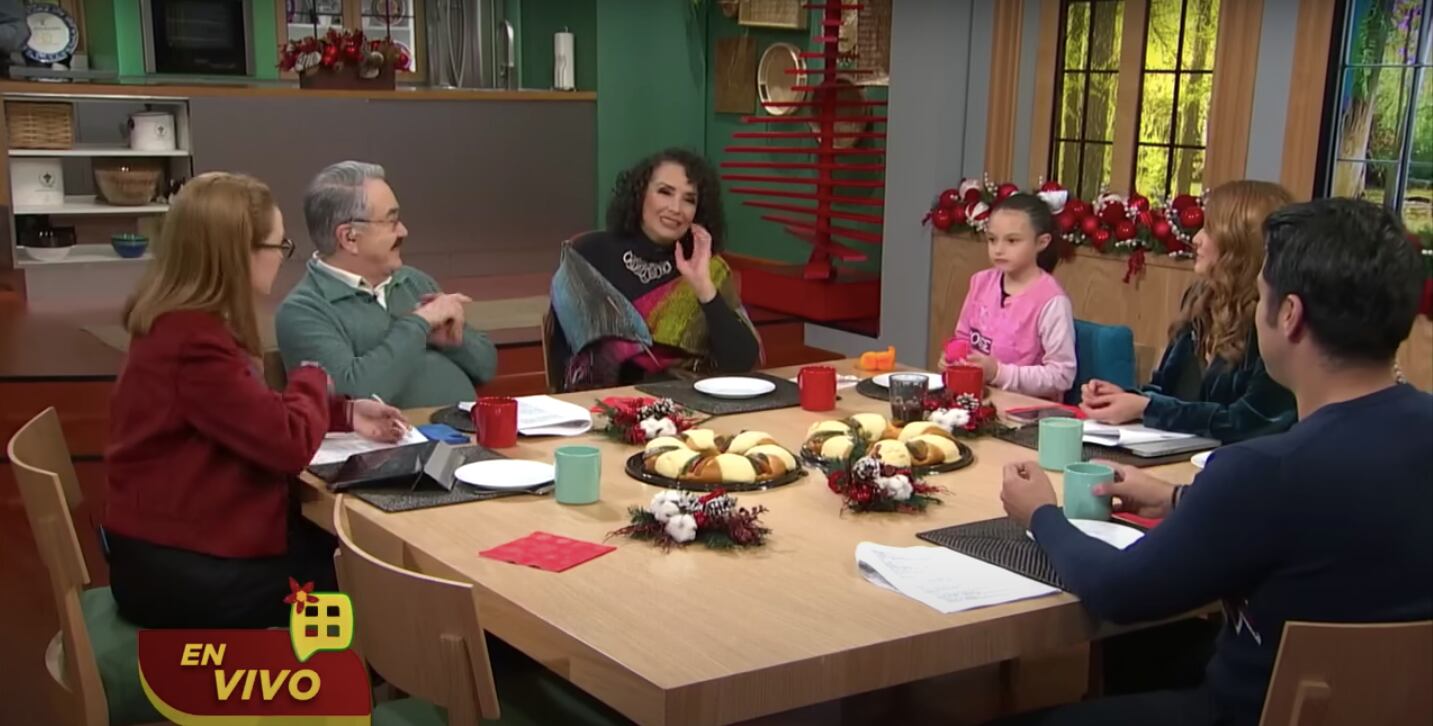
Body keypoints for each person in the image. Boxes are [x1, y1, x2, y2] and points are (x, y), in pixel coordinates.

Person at [998, 197, 1433, 726]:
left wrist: (1042, 515)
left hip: (1252, 710)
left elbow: (1119, 592)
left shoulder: (1264, 471)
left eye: (1263, 294)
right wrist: (1178, 498)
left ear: (1289, 315)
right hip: (1394, 704)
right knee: (1158, 647)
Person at [103, 172, 408, 629]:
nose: (282, 260)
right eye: (278, 247)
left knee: (350, 555)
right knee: (377, 584)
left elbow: (249, 413)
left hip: (171, 549)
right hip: (186, 571)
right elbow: (286, 445)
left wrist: (342, 412)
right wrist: (312, 374)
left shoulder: (179, 325)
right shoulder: (194, 342)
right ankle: (353, 693)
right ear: (237, 254)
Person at [1079, 181, 1296, 442]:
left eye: (1210, 230)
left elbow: (1249, 422)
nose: (1196, 239)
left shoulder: (1274, 319)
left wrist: (1147, 408)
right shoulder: (1200, 298)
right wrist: (1128, 398)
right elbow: (1168, 390)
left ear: (1240, 245)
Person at [275, 161, 497, 408]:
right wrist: (418, 325)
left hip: (466, 431)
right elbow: (351, 398)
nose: (403, 231)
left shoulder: (414, 281)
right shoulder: (303, 310)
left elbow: (486, 367)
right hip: (394, 444)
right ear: (349, 237)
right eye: (391, 221)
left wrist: (457, 342)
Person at [548, 148, 762, 391]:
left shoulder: (707, 267)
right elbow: (565, 358)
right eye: (665, 192)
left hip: (688, 404)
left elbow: (741, 363)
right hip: (602, 405)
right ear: (640, 194)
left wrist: (703, 287)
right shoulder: (588, 255)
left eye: (689, 199)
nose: (676, 208)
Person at [939, 193, 1076, 401]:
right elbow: (963, 339)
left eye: (1012, 241)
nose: (998, 249)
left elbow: (1062, 376)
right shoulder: (980, 282)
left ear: (1042, 242)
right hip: (975, 400)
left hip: (1026, 414)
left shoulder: (1052, 301)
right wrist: (953, 359)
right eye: (992, 239)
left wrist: (998, 373)